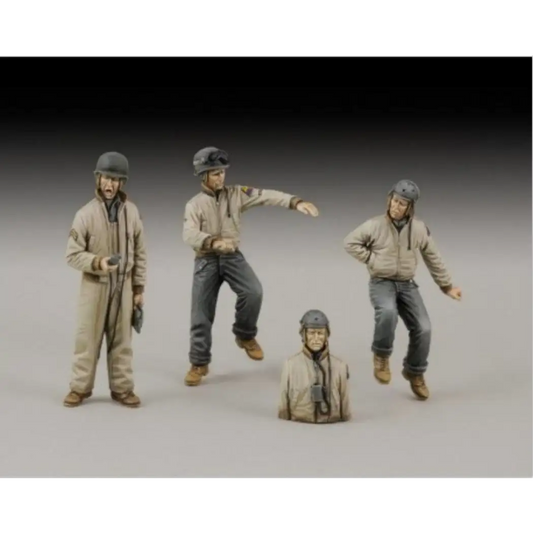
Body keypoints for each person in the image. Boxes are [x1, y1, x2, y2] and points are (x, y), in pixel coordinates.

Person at [182, 146, 319, 386]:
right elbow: (188, 233)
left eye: (222, 172)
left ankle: (244, 335)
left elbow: (266, 195)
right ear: (203, 176)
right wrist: (212, 241)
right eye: (215, 173)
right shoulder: (194, 205)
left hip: (232, 257)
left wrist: (295, 202)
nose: (221, 177)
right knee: (200, 314)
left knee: (253, 291)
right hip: (206, 260)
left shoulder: (236, 194)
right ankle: (199, 362)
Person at [343, 179, 461, 400]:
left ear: (410, 207)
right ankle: (381, 356)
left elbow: (433, 257)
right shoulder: (374, 225)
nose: (396, 207)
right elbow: (350, 242)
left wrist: (447, 285)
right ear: (389, 199)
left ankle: (415, 371)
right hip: (381, 282)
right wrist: (372, 259)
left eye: (402, 204)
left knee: (424, 327)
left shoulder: (419, 229)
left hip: (407, 284)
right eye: (395, 201)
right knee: (388, 312)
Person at [63, 152, 147, 408]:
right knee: (87, 339)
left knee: (122, 341)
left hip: (124, 286)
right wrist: (97, 263)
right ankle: (79, 387)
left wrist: (138, 288)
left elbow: (140, 252)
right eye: (106, 178)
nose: (109, 184)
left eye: (115, 179)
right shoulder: (85, 214)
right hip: (95, 286)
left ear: (122, 183)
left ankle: (122, 388)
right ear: (98, 179)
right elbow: (72, 255)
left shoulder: (132, 212)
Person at [278, 310, 351, 424]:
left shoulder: (340, 366)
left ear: (326, 335)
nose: (316, 338)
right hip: (299, 422)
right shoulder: (290, 365)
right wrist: (284, 415)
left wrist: (344, 415)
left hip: (331, 422)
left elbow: (344, 402)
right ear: (304, 335)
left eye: (320, 333)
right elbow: (283, 399)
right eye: (311, 333)